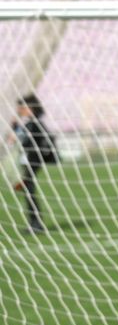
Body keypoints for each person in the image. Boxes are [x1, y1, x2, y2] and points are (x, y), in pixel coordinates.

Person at [13, 94, 55, 234]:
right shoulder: (31, 123)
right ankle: (35, 222)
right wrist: (16, 127)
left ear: (30, 108)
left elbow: (25, 140)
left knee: (29, 189)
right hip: (29, 160)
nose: (19, 110)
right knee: (28, 189)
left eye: (22, 107)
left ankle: (36, 223)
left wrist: (16, 130)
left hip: (32, 161)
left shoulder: (34, 124)